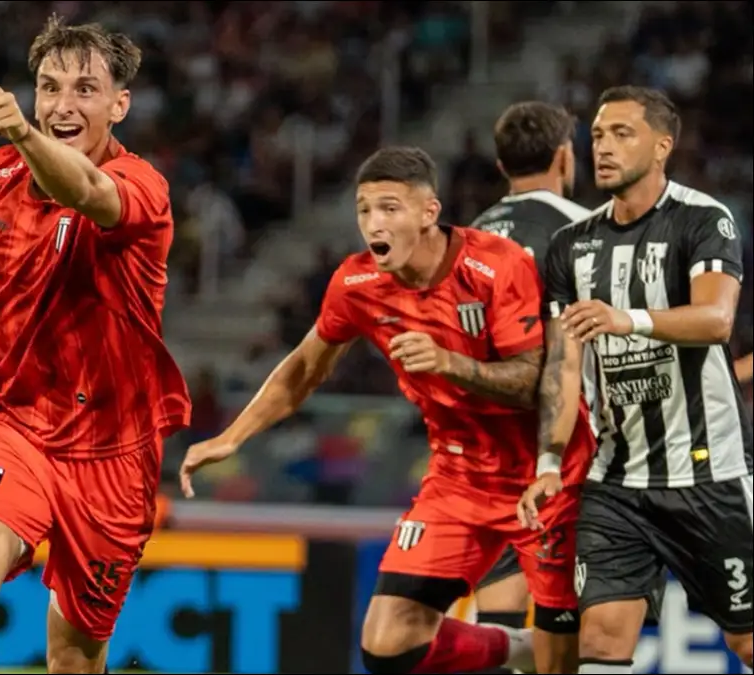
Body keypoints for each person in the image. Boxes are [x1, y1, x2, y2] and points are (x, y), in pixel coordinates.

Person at [180, 146, 595, 674]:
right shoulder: (356, 284)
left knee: (576, 653)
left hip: (548, 476)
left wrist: (449, 363)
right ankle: (519, 650)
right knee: (387, 641)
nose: (373, 223)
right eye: (364, 210)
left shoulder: (496, 266)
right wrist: (233, 437)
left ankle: (552, 651)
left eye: (390, 208)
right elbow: (305, 367)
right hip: (459, 479)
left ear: (428, 212)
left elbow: (538, 382)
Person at [0, 15, 190, 675]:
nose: (62, 104)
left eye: (85, 89)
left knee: (75, 654)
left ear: (120, 105)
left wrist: (23, 134)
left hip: (114, 451)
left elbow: (81, 189)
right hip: (15, 424)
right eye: (48, 87)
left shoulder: (144, 187)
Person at [520, 85, 753, 673]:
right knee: (599, 640)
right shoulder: (570, 246)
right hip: (617, 480)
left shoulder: (704, 219)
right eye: (597, 134)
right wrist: (548, 464)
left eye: (622, 133)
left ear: (662, 146)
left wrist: (628, 319)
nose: (602, 146)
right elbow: (562, 367)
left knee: (747, 641)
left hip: (711, 474)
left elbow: (717, 319)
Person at [467, 101, 594, 656]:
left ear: (500, 165)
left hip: (486, 445)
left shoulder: (465, 241)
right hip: (564, 443)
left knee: (498, 613)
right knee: (572, 615)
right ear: (565, 159)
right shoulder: (582, 230)